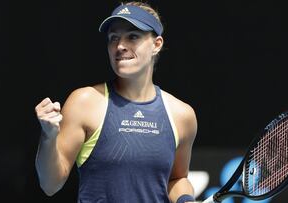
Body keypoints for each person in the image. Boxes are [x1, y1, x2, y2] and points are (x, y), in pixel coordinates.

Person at [34, 1, 198, 203]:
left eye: (133, 36)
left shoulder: (182, 115)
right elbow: (50, 185)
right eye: (114, 38)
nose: (120, 46)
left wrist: (185, 200)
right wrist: (48, 137)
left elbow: (177, 178)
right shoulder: (84, 102)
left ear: (157, 44)